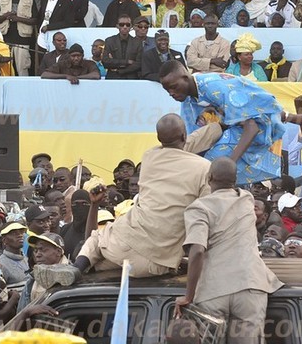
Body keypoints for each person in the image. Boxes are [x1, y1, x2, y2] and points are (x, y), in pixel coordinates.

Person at [33, 114, 219, 288]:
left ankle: (76, 269)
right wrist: (218, 128)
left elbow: (181, 148)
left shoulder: (150, 158)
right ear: (184, 135)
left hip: (122, 245)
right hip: (158, 260)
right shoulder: (205, 169)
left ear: (158, 138)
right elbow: (205, 214)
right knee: (103, 250)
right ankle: (74, 271)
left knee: (95, 241)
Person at [175, 157, 282, 343]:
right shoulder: (247, 199)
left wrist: (188, 296)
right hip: (250, 285)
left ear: (209, 178)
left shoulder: (199, 208)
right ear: (235, 179)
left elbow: (198, 251)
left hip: (213, 289)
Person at [160, 61, 286, 184]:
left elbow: (252, 127)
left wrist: (230, 164)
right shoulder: (187, 98)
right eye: (167, 90)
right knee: (194, 167)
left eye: (174, 87)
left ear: (185, 77)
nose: (171, 93)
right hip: (231, 128)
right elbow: (194, 139)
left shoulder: (215, 87)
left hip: (262, 124)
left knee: (213, 168)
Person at [0, 0, 38, 76]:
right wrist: (5, 16)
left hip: (22, 39)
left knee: (22, 68)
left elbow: (35, 20)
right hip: (6, 38)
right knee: (5, 68)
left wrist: (18, 19)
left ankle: (24, 90)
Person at [102, 14, 143, 80]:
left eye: (127, 25)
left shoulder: (137, 42)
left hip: (131, 78)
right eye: (121, 24)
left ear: (131, 27)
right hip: (113, 78)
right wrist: (127, 62)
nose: (125, 27)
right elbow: (105, 62)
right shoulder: (109, 41)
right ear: (117, 26)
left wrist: (120, 71)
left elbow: (138, 64)